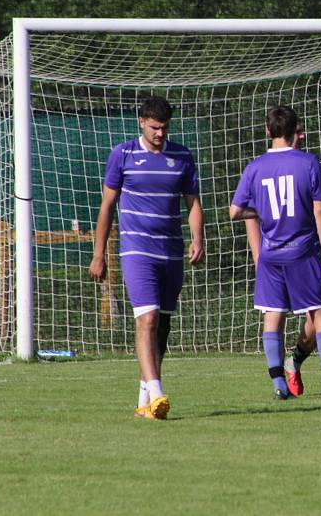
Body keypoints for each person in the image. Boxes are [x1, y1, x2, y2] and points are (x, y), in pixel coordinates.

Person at [89, 96, 204, 420]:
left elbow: (193, 203)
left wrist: (198, 239)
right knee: (148, 319)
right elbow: (107, 207)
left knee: (163, 326)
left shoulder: (181, 156)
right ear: (141, 121)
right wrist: (99, 255)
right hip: (137, 250)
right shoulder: (123, 154)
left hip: (171, 251)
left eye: (164, 128)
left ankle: (144, 401)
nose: (159, 133)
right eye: (154, 127)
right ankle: (157, 392)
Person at [230, 105, 321, 400]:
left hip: (271, 253)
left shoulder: (255, 167)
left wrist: (264, 210)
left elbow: (235, 211)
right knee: (319, 312)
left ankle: (278, 385)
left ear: (268, 130)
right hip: (302, 251)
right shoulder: (308, 163)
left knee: (273, 317)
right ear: (293, 130)